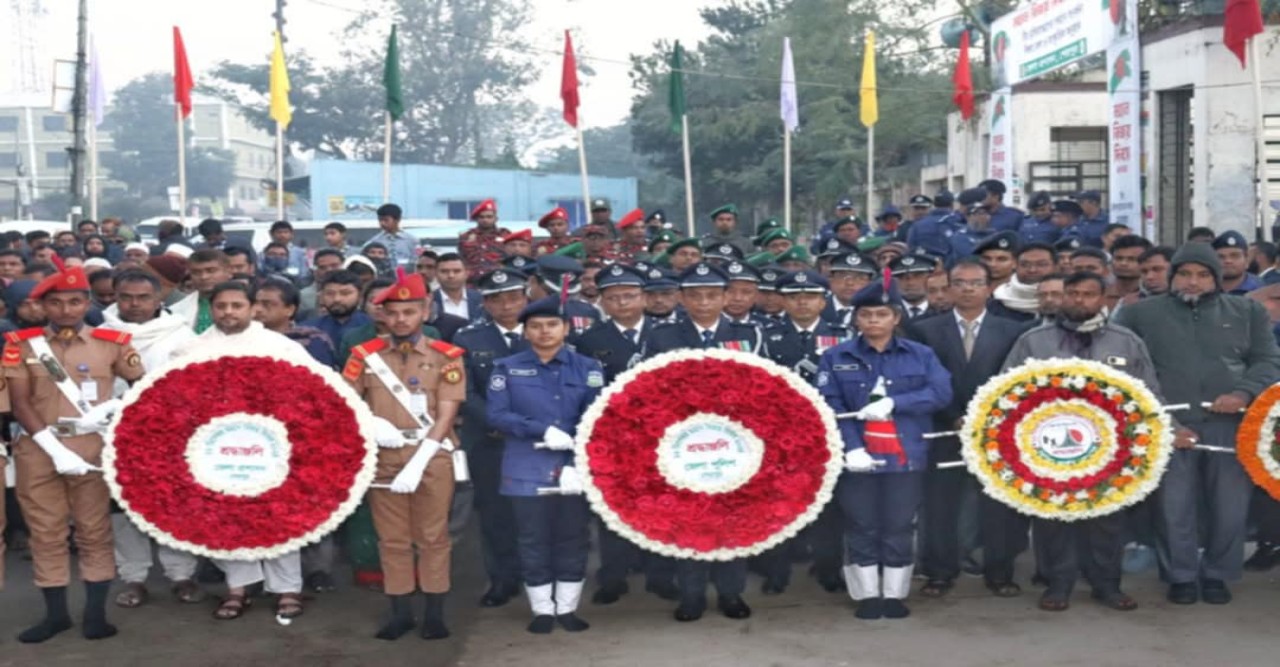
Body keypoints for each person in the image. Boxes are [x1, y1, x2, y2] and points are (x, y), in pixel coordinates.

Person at [1113, 243, 1280, 605]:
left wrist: (1243, 393)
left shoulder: (1246, 310)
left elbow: (1268, 361)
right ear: (1173, 277)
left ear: (1216, 279)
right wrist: (1162, 419)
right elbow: (1125, 370)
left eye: (1203, 275)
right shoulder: (1140, 314)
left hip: (1230, 425)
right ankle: (1181, 575)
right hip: (1167, 424)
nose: (1193, 282)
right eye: (1185, 274)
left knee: (1230, 506)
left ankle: (1219, 574)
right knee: (1174, 505)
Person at [1005, 272, 1177, 612]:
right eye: (1073, 293)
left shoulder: (1125, 341)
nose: (1079, 300)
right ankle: (1058, 583)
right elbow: (1006, 388)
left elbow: (1149, 392)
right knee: (1055, 517)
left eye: (1088, 294)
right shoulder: (1034, 341)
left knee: (1107, 519)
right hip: (1050, 448)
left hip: (1112, 451)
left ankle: (1107, 585)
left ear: (1103, 299)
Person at [4, 263, 145, 643]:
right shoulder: (20, 345)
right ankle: (56, 616)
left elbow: (142, 387)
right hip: (39, 449)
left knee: (94, 531)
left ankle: (95, 614)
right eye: (56, 302)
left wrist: (111, 408)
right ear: (42, 306)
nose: (66, 310)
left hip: (92, 448)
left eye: (75, 301)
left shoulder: (113, 341)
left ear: (87, 302)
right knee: (46, 534)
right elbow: (19, 403)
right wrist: (53, 447)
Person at [170, 282, 308, 623]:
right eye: (221, 306)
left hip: (271, 445)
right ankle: (238, 587)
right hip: (213, 449)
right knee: (226, 517)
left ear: (253, 309)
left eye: (237, 305)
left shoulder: (280, 347)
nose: (229, 312)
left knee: (278, 515)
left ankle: (286, 588)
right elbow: (172, 398)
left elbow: (310, 390)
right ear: (211, 309)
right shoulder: (191, 349)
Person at [818, 277, 951, 620]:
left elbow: (940, 394)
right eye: (866, 315)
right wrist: (851, 448)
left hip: (904, 455)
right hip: (857, 457)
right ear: (856, 319)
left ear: (896, 318)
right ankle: (866, 594)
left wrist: (896, 402)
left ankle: (894, 593)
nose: (873, 321)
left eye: (881, 314)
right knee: (861, 523)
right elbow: (829, 405)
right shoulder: (835, 356)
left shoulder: (920, 355)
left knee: (899, 524)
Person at [347, 270, 464, 639]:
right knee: (392, 539)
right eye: (393, 312)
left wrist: (420, 459)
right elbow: (345, 402)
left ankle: (434, 612)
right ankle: (399, 611)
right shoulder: (364, 356)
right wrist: (370, 423)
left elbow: (447, 413)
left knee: (433, 536)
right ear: (382, 315)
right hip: (383, 453)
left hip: (432, 455)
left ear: (425, 311)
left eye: (409, 312)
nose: (400, 319)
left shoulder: (447, 356)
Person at [642, 263, 762, 622]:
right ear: (681, 298)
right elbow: (651, 387)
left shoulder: (748, 332)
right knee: (688, 518)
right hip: (683, 441)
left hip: (734, 441)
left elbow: (762, 385)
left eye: (712, 295)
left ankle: (731, 593)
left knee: (732, 518)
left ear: (726, 296)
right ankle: (691, 595)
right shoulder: (662, 335)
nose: (705, 302)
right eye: (695, 295)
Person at [907, 259, 1030, 599]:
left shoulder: (1013, 330)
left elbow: (1015, 380)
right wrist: (952, 416)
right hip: (944, 429)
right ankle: (940, 572)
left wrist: (987, 418)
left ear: (989, 288)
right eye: (959, 283)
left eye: (975, 283)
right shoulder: (926, 330)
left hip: (995, 432)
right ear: (948, 288)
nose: (967, 289)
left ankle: (1000, 573)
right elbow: (922, 380)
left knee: (998, 507)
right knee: (939, 506)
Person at [486, 295, 604, 634]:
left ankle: (567, 608)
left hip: (574, 466)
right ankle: (542, 609)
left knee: (573, 537)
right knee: (531, 538)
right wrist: (540, 429)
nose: (544, 332)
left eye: (552, 325)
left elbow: (595, 416)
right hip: (524, 467)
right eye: (535, 326)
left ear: (566, 328)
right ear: (525, 332)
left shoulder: (588, 368)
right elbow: (497, 415)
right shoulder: (506, 368)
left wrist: (572, 460)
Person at [573, 265, 680, 604]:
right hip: (614, 437)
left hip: (664, 436)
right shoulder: (589, 340)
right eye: (613, 297)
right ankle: (614, 576)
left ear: (644, 297)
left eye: (630, 296)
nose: (622, 303)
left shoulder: (669, 334)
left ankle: (661, 575)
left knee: (662, 506)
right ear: (602, 301)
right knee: (614, 509)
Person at [101, 271, 203, 609]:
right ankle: (133, 577)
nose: (134, 304)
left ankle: (181, 573)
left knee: (171, 503)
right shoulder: (100, 334)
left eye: (143, 297)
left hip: (169, 434)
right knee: (122, 508)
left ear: (159, 299)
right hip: (112, 431)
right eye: (126, 296)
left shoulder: (181, 336)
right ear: (114, 296)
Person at [759, 270, 851, 593]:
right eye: (794, 296)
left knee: (829, 506)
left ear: (822, 301)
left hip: (828, 434)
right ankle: (776, 573)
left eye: (810, 296)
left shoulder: (842, 334)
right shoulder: (764, 335)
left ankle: (828, 569)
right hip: (779, 435)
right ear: (783, 301)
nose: (802, 302)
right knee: (778, 505)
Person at [453, 268, 529, 608]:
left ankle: (538, 577)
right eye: (497, 300)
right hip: (489, 440)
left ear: (525, 298)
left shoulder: (544, 329)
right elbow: (466, 392)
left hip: (536, 441)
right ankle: (502, 579)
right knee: (495, 515)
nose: (507, 305)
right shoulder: (469, 338)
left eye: (513, 297)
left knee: (537, 513)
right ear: (485, 303)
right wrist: (497, 422)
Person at [526, 256, 602, 336]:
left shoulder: (587, 312)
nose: (560, 299)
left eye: (568, 295)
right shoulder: (515, 310)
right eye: (552, 293)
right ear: (533, 282)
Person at [303, 271, 374, 351]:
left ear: (360, 296)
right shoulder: (307, 329)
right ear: (321, 297)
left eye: (345, 293)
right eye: (330, 293)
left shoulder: (373, 327)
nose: (337, 299)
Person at [989, 242, 1055, 323]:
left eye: (1041, 264)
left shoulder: (1067, 300)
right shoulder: (997, 301)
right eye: (1025, 264)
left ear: (1056, 266)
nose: (1032, 270)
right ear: (1015, 266)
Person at [459, 200, 511, 281]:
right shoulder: (467, 236)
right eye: (481, 217)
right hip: (473, 279)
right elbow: (463, 257)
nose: (485, 220)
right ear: (476, 219)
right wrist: (470, 243)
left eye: (489, 217)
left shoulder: (505, 234)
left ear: (496, 219)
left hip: (499, 278)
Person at [821, 251, 877, 327]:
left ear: (870, 283)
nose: (850, 283)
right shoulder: (816, 309)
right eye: (842, 276)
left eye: (860, 277)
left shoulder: (877, 313)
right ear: (831, 279)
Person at [183, 250, 232, 333]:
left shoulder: (250, 304)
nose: (204, 277)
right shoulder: (178, 309)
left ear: (228, 271)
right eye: (196, 272)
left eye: (211, 271)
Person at [367, 204, 421, 271]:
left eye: (386, 220)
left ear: (397, 220)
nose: (382, 223)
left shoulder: (411, 240)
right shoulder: (375, 241)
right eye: (380, 220)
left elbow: (417, 261)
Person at [433, 253, 484, 323]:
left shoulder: (481, 299)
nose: (451, 275)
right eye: (444, 271)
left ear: (466, 273)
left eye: (457, 271)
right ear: (436, 274)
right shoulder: (429, 301)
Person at [299, 249, 345, 321]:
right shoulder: (302, 297)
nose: (329, 270)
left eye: (334, 265)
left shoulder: (356, 293)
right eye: (322, 267)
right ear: (315, 271)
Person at [890, 255, 935, 319]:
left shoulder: (941, 310)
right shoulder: (889, 311)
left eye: (918, 276)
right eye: (902, 277)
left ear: (930, 278)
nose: (910, 283)